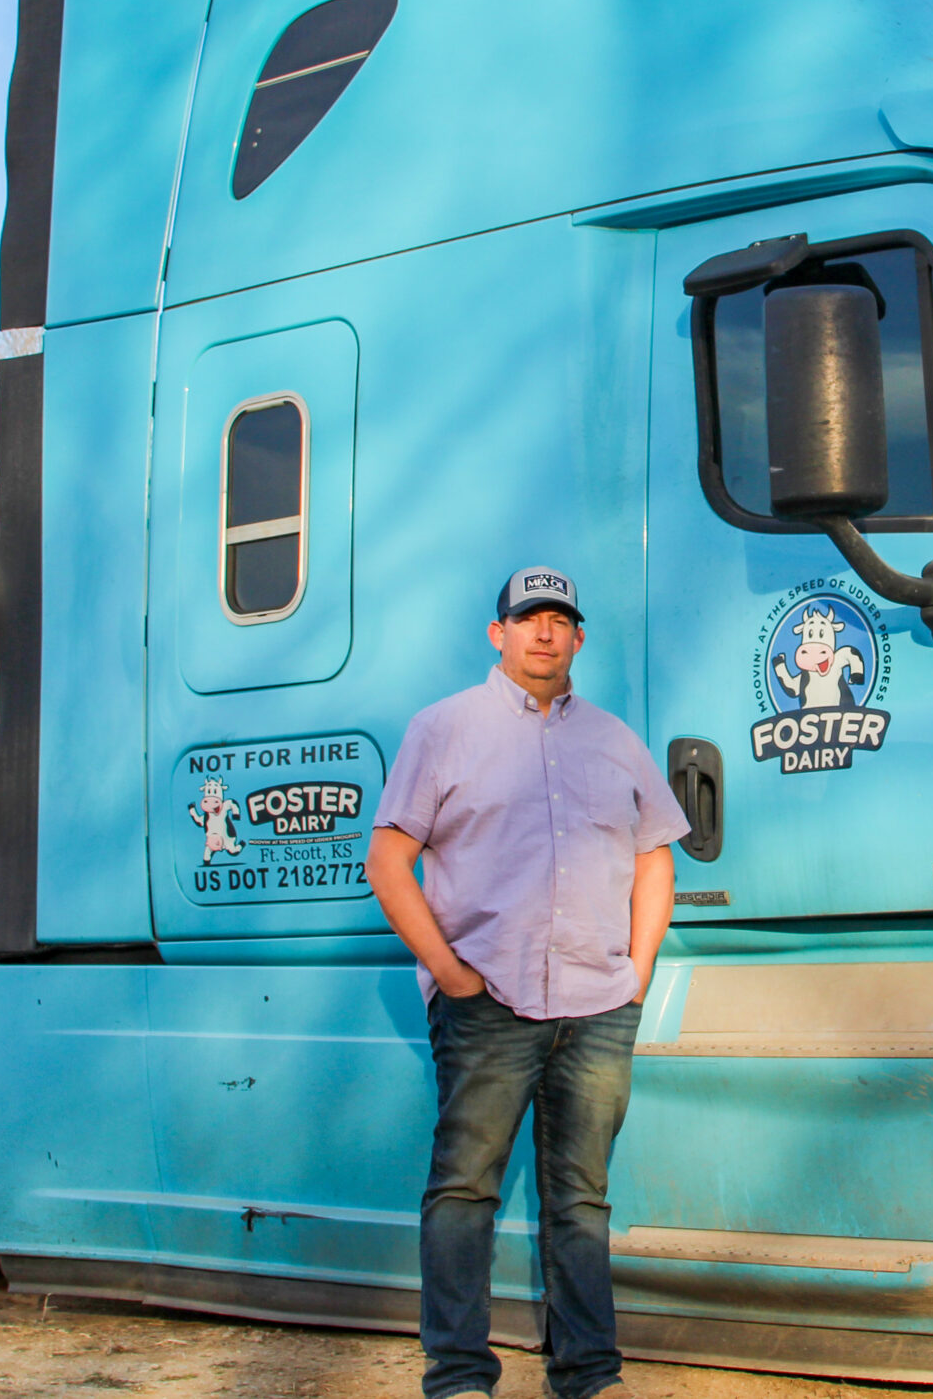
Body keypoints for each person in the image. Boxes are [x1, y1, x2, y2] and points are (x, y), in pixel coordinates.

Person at [367, 566, 688, 1399]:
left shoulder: (615, 739)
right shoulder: (442, 729)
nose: (543, 632)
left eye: (559, 619)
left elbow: (655, 855)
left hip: (597, 1005)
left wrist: (637, 972)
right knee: (465, 1190)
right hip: (489, 1005)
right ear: (497, 633)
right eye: (527, 618)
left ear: (579, 636)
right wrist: (447, 972)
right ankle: (460, 1374)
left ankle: (588, 1373)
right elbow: (388, 860)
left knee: (581, 1202)